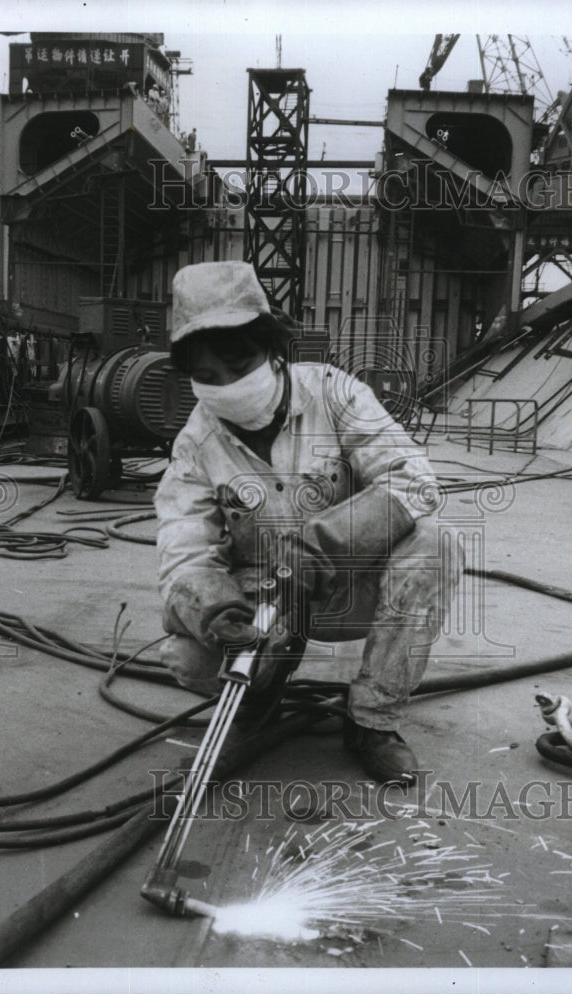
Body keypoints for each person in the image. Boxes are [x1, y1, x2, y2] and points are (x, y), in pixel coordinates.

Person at [154, 261, 464, 784]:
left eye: (240, 365)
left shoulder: (335, 394)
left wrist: (325, 546)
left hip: (353, 587)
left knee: (436, 544)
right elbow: (184, 547)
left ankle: (371, 721)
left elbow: (413, 479)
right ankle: (256, 702)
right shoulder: (195, 445)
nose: (227, 387)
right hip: (266, 602)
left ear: (273, 352)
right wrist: (215, 610)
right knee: (189, 656)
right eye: (208, 378)